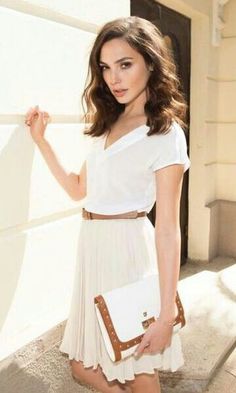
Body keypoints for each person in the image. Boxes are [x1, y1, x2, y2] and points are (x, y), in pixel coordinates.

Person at [24, 16, 190, 393]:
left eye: (125, 64)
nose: (114, 78)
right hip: (93, 248)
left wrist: (165, 315)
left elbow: (166, 227)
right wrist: (41, 141)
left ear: (150, 63)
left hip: (129, 252)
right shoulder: (107, 126)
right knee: (83, 367)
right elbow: (77, 189)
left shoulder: (164, 134)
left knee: (139, 370)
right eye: (105, 67)